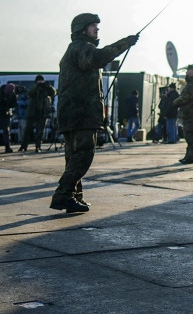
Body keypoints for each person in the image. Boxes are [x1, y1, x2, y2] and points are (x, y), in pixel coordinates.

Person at [50, 13, 139, 213]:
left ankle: (73, 198)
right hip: (80, 114)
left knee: (73, 158)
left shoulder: (75, 49)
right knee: (83, 155)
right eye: (93, 26)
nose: (97, 30)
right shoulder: (82, 48)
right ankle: (63, 195)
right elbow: (97, 58)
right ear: (82, 29)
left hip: (73, 114)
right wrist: (125, 43)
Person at [174, 65, 193, 164]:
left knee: (191, 134)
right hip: (187, 112)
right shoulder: (190, 83)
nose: (187, 73)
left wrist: (175, 102)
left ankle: (191, 156)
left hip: (192, 112)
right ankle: (188, 155)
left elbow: (187, 97)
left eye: (189, 71)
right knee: (187, 135)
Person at [22, 75, 56, 152]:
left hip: (43, 112)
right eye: (39, 81)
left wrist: (48, 86)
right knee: (28, 130)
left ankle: (38, 146)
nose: (40, 82)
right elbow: (29, 94)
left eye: (41, 81)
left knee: (40, 130)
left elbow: (53, 92)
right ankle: (24, 146)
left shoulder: (46, 88)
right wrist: (37, 87)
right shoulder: (33, 87)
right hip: (33, 112)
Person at [0, 82, 15, 153]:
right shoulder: (1, 93)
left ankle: (7, 147)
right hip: (4, 112)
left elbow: (13, 104)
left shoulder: (12, 94)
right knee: (6, 131)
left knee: (6, 131)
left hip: (6, 113)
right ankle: (7, 147)